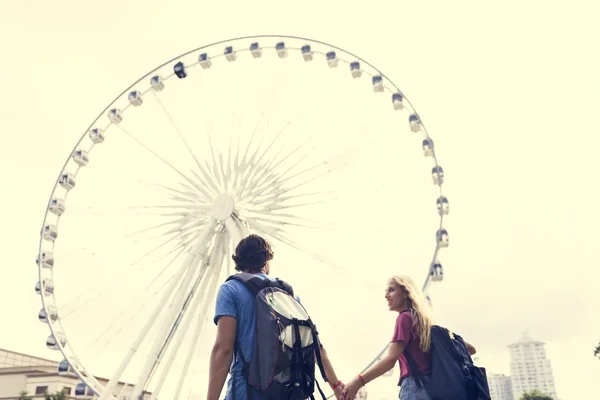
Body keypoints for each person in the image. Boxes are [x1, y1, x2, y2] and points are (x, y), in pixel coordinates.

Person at [207, 234, 344, 400]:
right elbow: (315, 347)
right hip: (288, 393)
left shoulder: (231, 290)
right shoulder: (288, 295)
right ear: (266, 261)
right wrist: (336, 386)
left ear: (239, 262)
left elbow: (223, 349)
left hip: (247, 393)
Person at [341, 275, 476, 400]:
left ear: (406, 292)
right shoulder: (426, 323)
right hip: (436, 389)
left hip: (415, 387)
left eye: (391, 290)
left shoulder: (404, 318)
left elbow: (390, 360)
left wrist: (358, 381)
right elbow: (470, 349)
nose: (386, 295)